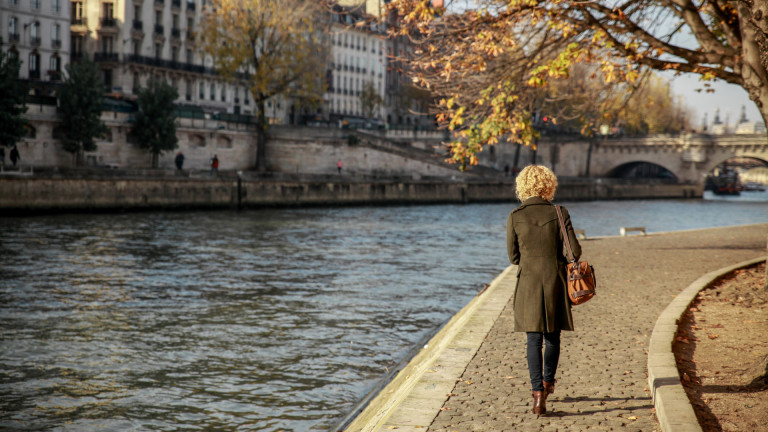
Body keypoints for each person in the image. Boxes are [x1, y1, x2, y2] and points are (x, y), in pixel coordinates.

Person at [506, 165, 581, 415]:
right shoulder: (560, 212)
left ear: (522, 186)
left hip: (528, 280)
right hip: (554, 278)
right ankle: (548, 382)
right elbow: (575, 252)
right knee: (552, 336)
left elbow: (513, 256)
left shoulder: (515, 215)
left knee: (533, 338)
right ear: (549, 185)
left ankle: (537, 394)